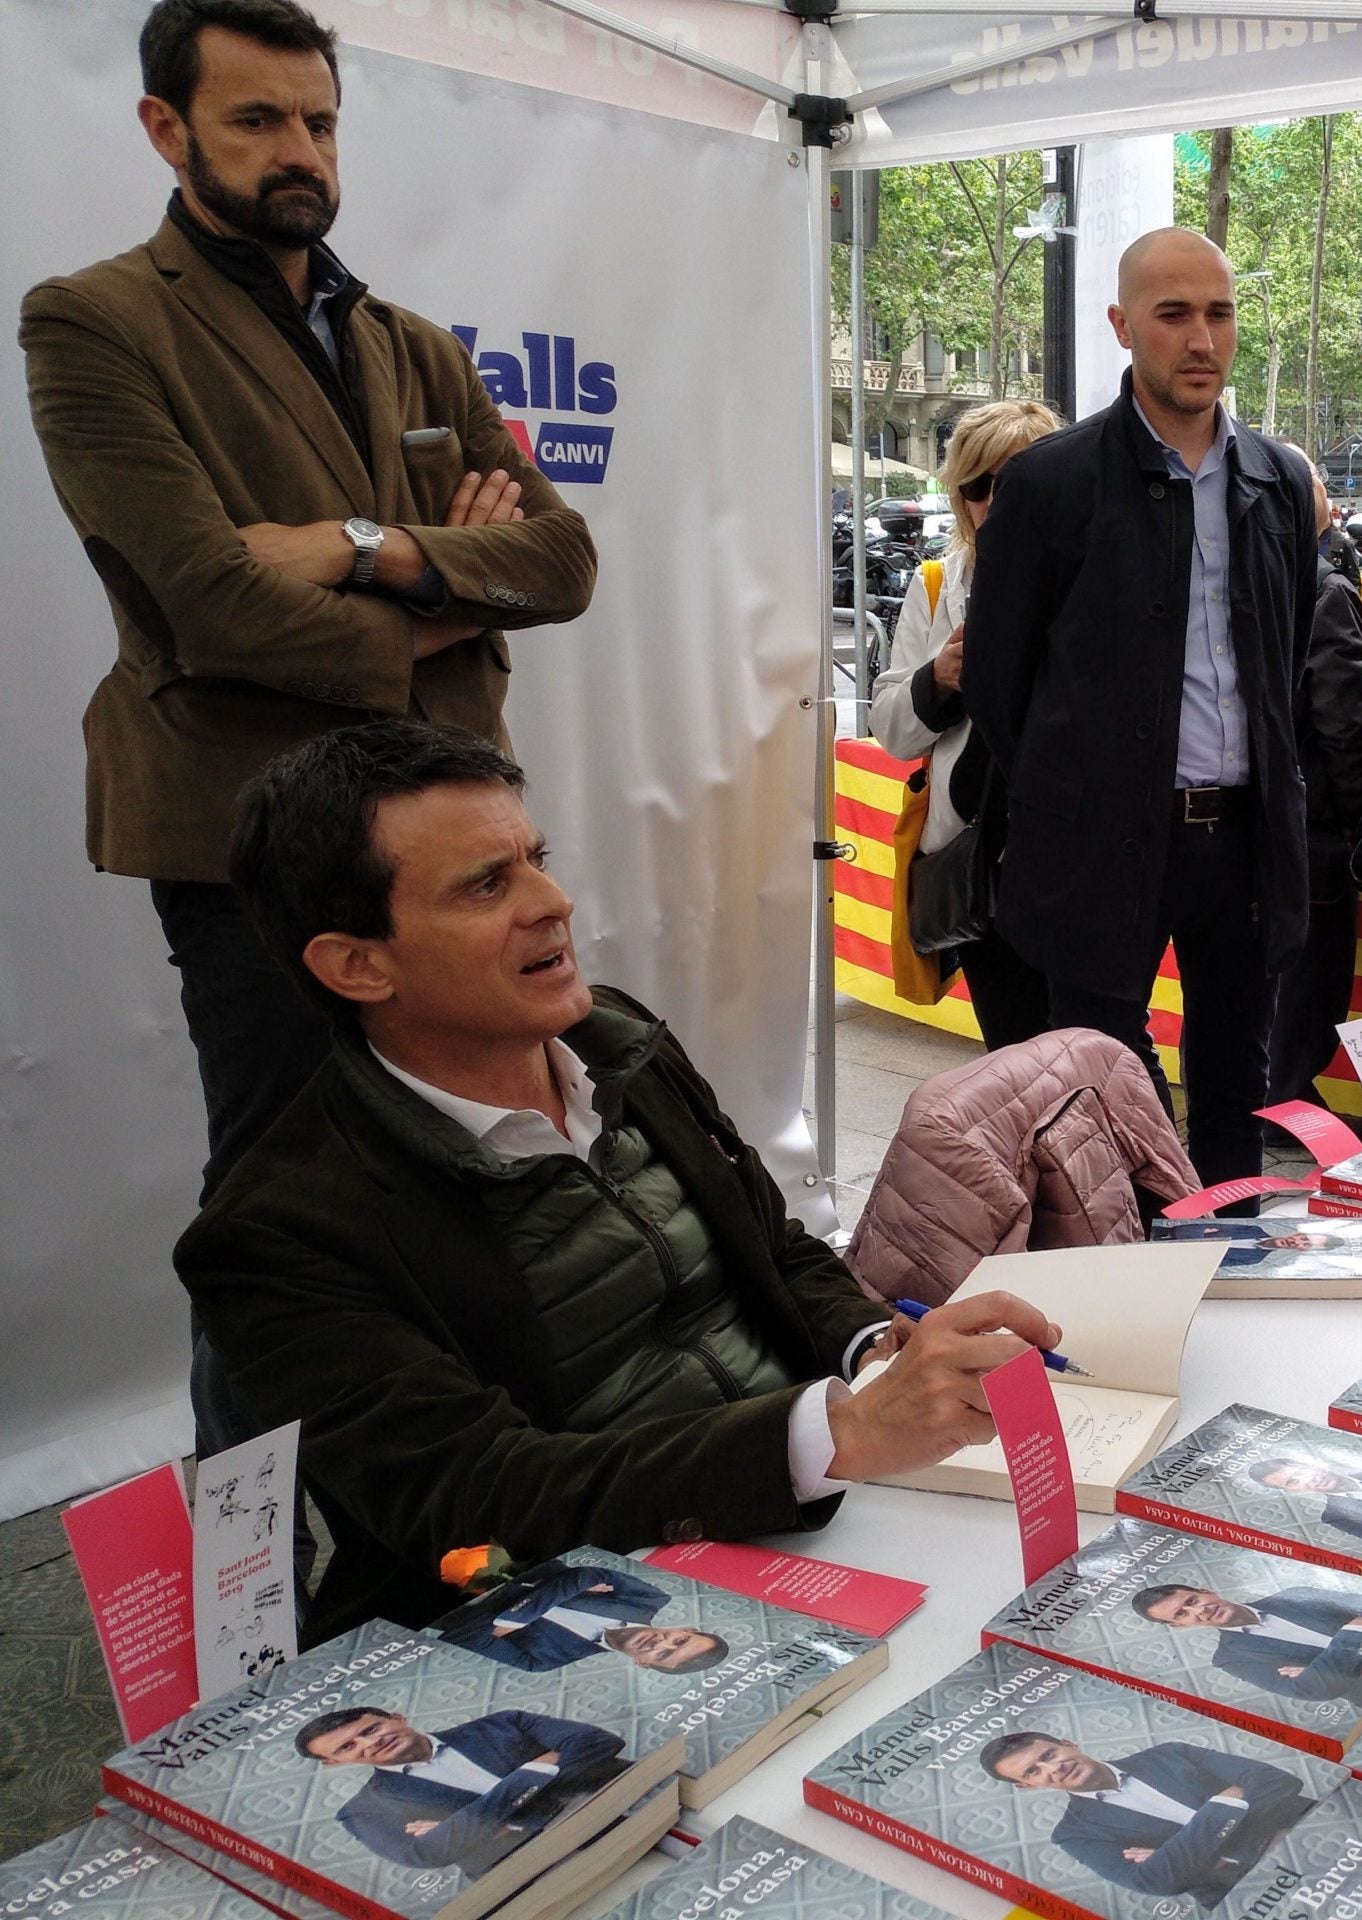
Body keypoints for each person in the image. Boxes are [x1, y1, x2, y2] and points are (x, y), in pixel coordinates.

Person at [19, 0, 599, 1473]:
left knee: (470, 1169)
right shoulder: (92, 322)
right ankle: (254, 1575)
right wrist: (452, 579)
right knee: (285, 1206)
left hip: (450, 839)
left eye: (320, 122)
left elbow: (564, 564)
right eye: (257, 120)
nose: (300, 153)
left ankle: (465, 1504)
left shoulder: (406, 340)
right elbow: (206, 604)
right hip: (253, 845)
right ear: (167, 129)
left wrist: (357, 546)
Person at [175, 722, 1060, 1640]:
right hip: (593, 1621)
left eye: (536, 860)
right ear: (357, 964)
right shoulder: (279, 1231)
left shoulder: (616, 1043)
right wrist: (838, 1433)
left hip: (829, 1514)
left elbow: (776, 1246)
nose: (552, 901)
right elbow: (478, 1501)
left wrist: (876, 1353)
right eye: (487, 884)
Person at [964, 229, 1318, 1187]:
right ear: (1123, 327)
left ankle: (1233, 1255)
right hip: (1103, 843)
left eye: (1220, 312)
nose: (1202, 339)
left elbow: (1284, 664)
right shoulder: (1049, 484)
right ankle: (1143, 1265)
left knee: (1237, 1084)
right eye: (1174, 315)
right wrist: (1081, 784)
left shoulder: (1280, 482)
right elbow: (999, 683)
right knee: (1102, 1081)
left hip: (1242, 839)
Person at [869, 399, 1060, 1049]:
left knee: (1093, 1053)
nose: (992, 501)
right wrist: (940, 679)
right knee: (1014, 1053)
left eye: (1012, 482)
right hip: (976, 867)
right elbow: (891, 730)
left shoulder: (1094, 579)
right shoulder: (935, 585)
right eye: (976, 486)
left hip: (1074, 864)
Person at [1268, 445, 1362, 1110]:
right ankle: (1285, 1090)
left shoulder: (1242, 582)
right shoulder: (1325, 592)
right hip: (1312, 820)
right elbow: (1343, 719)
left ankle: (1269, 1085)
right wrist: (1353, 809)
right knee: (1313, 972)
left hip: (1260, 809)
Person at [979, 1731, 1316, 1905]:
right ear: (1026, 1786)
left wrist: (1179, 1853)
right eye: (1034, 1771)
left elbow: (1279, 1783)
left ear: (1069, 1744)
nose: (1054, 1768)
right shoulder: (1073, 1834)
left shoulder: (1169, 1753)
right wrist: (1223, 1804)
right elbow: (1155, 1881)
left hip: (1314, 1827)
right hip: (1250, 1890)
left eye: (1050, 1754)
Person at [299, 1704, 625, 1876]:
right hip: (536, 1870)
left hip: (621, 1804)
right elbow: (426, 1853)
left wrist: (473, 1826)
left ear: (397, 1717)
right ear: (333, 1762)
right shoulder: (363, 1810)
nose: (371, 1743)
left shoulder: (503, 1723)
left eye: (371, 1728)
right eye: (348, 1747)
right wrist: (530, 1773)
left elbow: (600, 1743)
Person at [1130, 1583, 1362, 1705]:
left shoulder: (1293, 1595)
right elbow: (1313, 1689)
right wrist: (1353, 1633)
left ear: (1207, 1591)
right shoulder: (1230, 1659)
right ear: (1178, 1626)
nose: (1199, 1610)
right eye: (1183, 1613)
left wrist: (1324, 1667)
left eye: (1193, 1600)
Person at [432, 1561, 727, 1675]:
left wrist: (554, 1590)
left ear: (644, 1663)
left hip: (439, 1604)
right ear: (685, 1627)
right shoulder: (647, 1599)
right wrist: (510, 1623)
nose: (662, 1642)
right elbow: (588, 1573)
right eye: (680, 1640)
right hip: (503, 1558)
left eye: (663, 1654)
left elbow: (460, 1639)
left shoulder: (547, 1661)